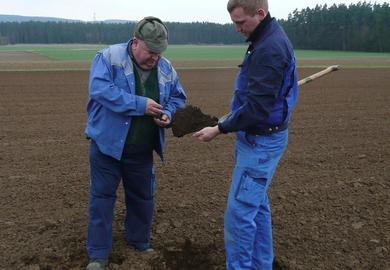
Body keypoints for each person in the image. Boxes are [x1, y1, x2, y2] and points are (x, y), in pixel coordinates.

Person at [193, 0, 298, 269]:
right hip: (257, 138)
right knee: (256, 206)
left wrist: (219, 127)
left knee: (240, 214)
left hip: (260, 143)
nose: (237, 29)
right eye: (234, 23)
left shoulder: (270, 48)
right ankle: (261, 264)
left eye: (241, 22)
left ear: (260, 14)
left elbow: (258, 108)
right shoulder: (265, 37)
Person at [84, 16, 186, 270]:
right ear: (136, 42)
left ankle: (139, 243)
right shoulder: (108, 58)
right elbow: (100, 90)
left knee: (143, 198)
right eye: (151, 52)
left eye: (159, 53)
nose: (155, 58)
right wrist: (139, 104)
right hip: (107, 146)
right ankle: (98, 254)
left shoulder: (166, 68)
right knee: (102, 199)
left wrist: (169, 114)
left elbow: (178, 98)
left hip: (141, 150)